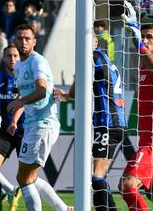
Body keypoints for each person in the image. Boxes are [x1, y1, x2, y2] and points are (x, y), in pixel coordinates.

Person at [55, 36, 127, 211]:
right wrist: (67, 94)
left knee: (96, 177)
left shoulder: (93, 59)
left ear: (96, 43)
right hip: (116, 122)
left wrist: (67, 93)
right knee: (99, 177)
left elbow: (78, 86)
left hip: (107, 123)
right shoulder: (105, 59)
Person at [7, 24, 73, 211]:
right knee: (31, 178)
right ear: (15, 41)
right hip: (32, 125)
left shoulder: (38, 62)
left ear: (34, 41)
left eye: (27, 38)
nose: (23, 42)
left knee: (23, 178)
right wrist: (14, 120)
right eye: (20, 38)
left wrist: (21, 103)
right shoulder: (19, 65)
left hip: (43, 124)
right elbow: (24, 97)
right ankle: (63, 209)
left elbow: (42, 91)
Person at [118, 1, 153, 211]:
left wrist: (138, 36)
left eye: (151, 38)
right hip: (146, 140)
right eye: (145, 36)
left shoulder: (150, 63)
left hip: (151, 145)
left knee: (127, 186)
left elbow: (150, 62)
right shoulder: (143, 64)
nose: (146, 41)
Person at [0, 44, 24, 211]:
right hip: (6, 130)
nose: (13, 59)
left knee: (28, 177)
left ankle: (62, 207)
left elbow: (22, 103)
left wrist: (15, 121)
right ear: (4, 58)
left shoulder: (26, 77)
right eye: (9, 56)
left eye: (15, 56)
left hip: (25, 130)